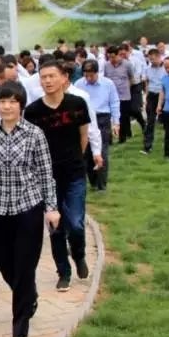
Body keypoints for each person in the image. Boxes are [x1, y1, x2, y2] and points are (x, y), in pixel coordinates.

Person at [0, 81, 59, 337]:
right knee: (4, 263)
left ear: (21, 104)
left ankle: (20, 321)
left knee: (24, 264)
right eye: (2, 101)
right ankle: (29, 294)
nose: (7, 106)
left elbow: (46, 173)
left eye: (12, 101)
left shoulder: (35, 134)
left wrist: (52, 207)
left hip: (28, 208)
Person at [24, 62, 101, 291]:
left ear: (64, 77)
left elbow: (83, 136)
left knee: (76, 223)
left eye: (51, 76)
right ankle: (63, 272)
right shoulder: (33, 111)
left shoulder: (77, 104)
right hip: (47, 177)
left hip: (75, 172)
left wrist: (79, 158)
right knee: (55, 226)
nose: (47, 81)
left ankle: (78, 255)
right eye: (43, 77)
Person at [74, 60, 120, 191]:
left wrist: (116, 122)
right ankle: (93, 181)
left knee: (101, 151)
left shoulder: (108, 84)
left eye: (91, 75)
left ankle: (102, 184)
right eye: (86, 75)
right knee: (87, 151)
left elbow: (114, 103)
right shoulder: (78, 84)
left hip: (102, 118)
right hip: (84, 119)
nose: (88, 78)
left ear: (97, 73)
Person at [102, 46, 142, 143]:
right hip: (111, 96)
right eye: (109, 57)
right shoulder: (107, 65)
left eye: (113, 57)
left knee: (123, 117)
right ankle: (109, 139)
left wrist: (127, 87)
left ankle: (122, 138)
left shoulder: (127, 64)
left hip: (124, 95)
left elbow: (132, 78)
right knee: (109, 117)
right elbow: (106, 79)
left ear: (118, 55)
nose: (111, 59)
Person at [141, 49, 166, 155]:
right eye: (150, 59)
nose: (151, 61)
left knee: (167, 120)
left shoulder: (166, 68)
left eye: (153, 59)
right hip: (152, 95)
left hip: (164, 95)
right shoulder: (148, 69)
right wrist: (146, 96)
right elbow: (146, 82)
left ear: (159, 56)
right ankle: (147, 146)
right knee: (150, 121)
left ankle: (168, 143)